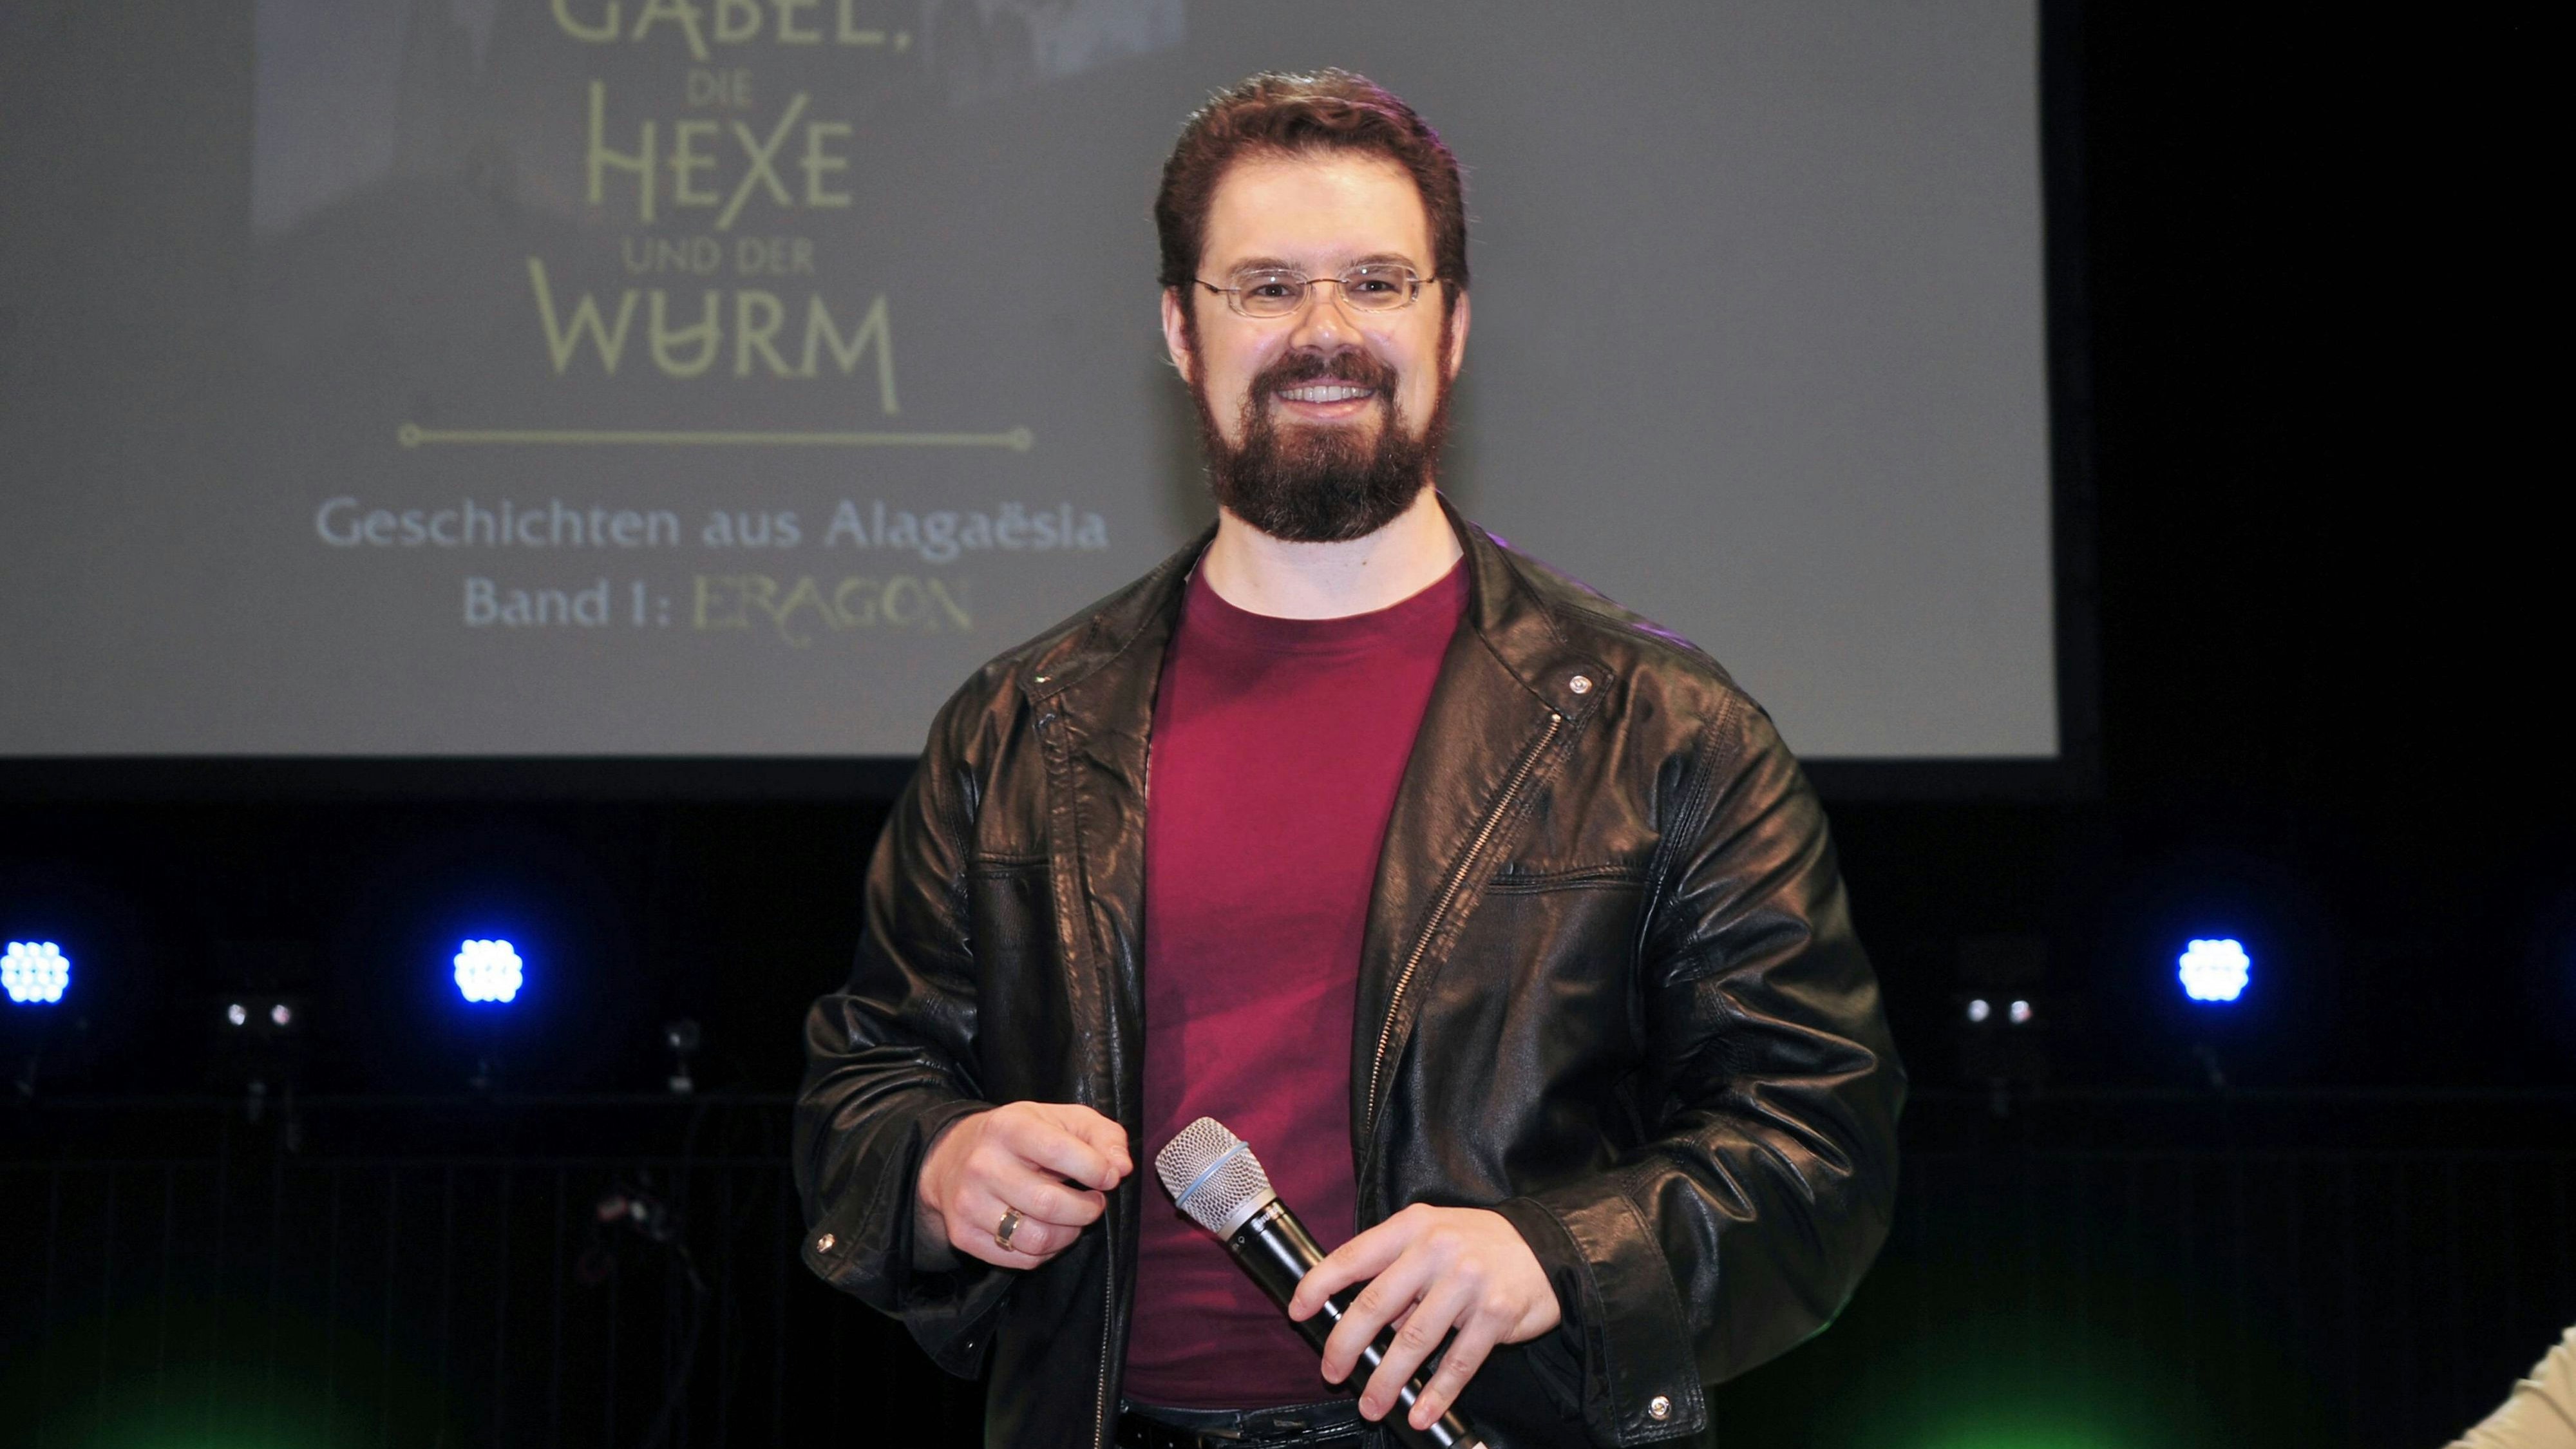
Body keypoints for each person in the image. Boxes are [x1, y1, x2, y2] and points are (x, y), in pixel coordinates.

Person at [795, 70, 1904, 1449]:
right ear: (1177, 333)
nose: (1324, 334)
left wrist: (1557, 1253)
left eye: (1376, 283)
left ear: (1452, 323)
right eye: (1263, 288)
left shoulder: (1663, 730)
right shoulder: (1017, 726)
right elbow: (863, 1088)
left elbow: (1820, 1151)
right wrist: (937, 1163)